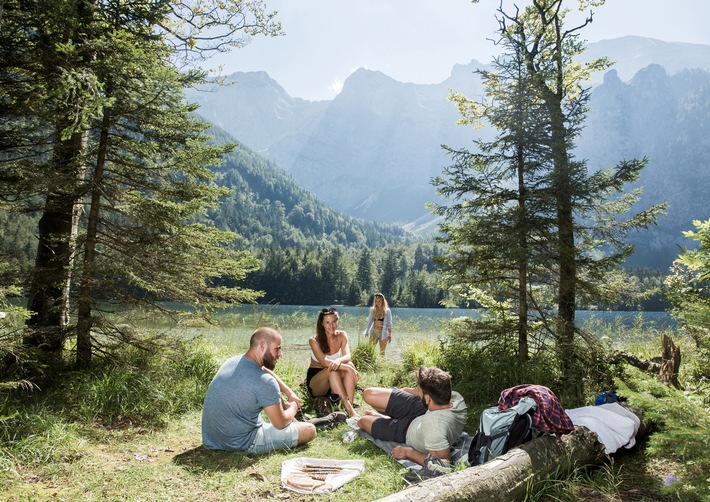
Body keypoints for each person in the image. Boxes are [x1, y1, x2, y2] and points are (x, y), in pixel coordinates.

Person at [201, 327, 316, 454]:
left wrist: (289, 392)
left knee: (272, 398)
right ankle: (307, 421)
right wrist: (293, 406)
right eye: (277, 348)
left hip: (212, 440)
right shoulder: (265, 382)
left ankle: (300, 421)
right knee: (309, 429)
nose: (280, 354)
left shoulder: (233, 361)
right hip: (243, 442)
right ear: (262, 346)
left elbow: (265, 370)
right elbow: (280, 423)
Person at [356, 366, 467, 466]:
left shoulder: (435, 429)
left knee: (362, 421)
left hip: (406, 430)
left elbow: (442, 464)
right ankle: (389, 417)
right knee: (368, 393)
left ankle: (386, 419)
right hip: (422, 408)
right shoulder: (457, 399)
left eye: (419, 390)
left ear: (427, 398)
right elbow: (430, 395)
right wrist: (406, 391)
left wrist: (407, 452)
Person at [307, 307, 361, 417]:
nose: (331, 326)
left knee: (348, 364)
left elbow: (347, 355)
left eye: (334, 322)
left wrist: (339, 361)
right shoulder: (314, 340)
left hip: (334, 382)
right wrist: (347, 368)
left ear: (337, 321)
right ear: (322, 323)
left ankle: (348, 405)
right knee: (335, 369)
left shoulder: (342, 335)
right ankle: (350, 411)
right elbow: (324, 362)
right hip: (317, 383)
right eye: (327, 322)